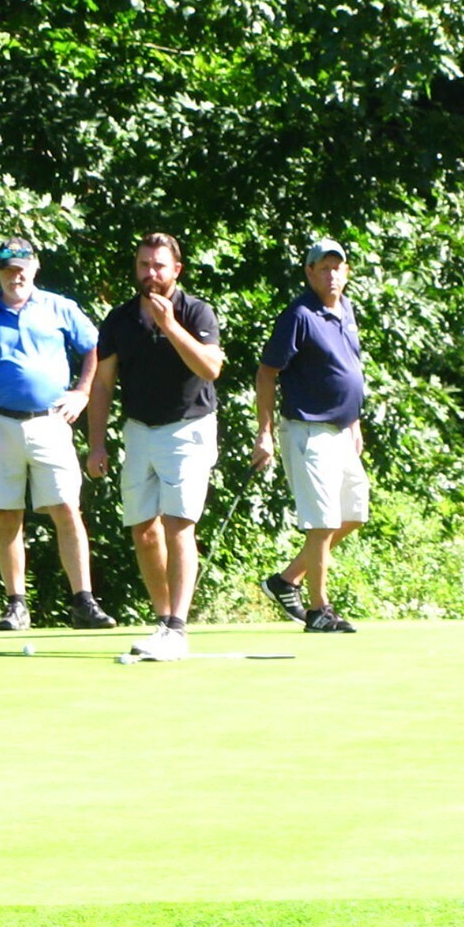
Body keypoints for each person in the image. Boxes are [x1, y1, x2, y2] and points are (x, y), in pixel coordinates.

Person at [0, 237, 116, 631]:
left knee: (66, 508)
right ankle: (16, 605)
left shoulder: (60, 308)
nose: (16, 276)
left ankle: (83, 602)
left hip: (51, 420)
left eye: (22, 268)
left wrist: (82, 392)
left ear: (35, 267)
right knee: (7, 514)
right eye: (8, 269)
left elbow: (96, 347)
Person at [87, 233, 224, 660]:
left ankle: (177, 628)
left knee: (178, 524)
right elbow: (102, 383)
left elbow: (211, 367)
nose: (151, 273)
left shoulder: (195, 311)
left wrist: (170, 327)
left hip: (187, 427)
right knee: (143, 529)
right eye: (144, 265)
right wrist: (96, 444)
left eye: (159, 266)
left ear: (176, 270)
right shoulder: (120, 319)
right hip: (138, 431)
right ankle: (163, 622)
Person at [252, 239, 367, 633]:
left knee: (353, 514)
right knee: (321, 522)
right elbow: (267, 372)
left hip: (341, 430)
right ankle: (320, 610)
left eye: (337, 267)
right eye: (323, 268)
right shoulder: (299, 315)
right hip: (307, 429)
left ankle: (286, 581)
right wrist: (264, 432)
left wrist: (354, 422)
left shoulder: (345, 310)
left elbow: (349, 367)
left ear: (346, 272)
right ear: (310, 272)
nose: (331, 274)